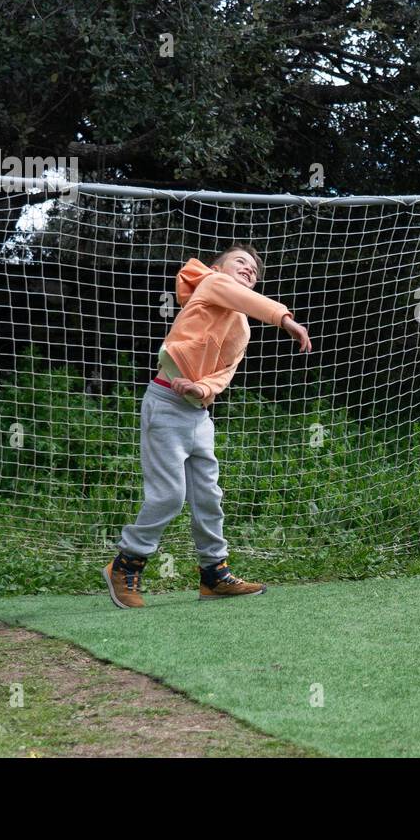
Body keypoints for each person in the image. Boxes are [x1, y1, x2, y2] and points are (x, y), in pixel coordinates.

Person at [104, 244, 311, 608]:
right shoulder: (212, 283)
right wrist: (287, 320)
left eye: (255, 270)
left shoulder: (242, 326)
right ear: (217, 268)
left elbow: (224, 373)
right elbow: (251, 300)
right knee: (169, 495)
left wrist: (200, 387)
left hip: (198, 414)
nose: (249, 269)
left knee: (209, 497)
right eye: (241, 262)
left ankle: (214, 574)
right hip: (165, 405)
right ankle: (125, 563)